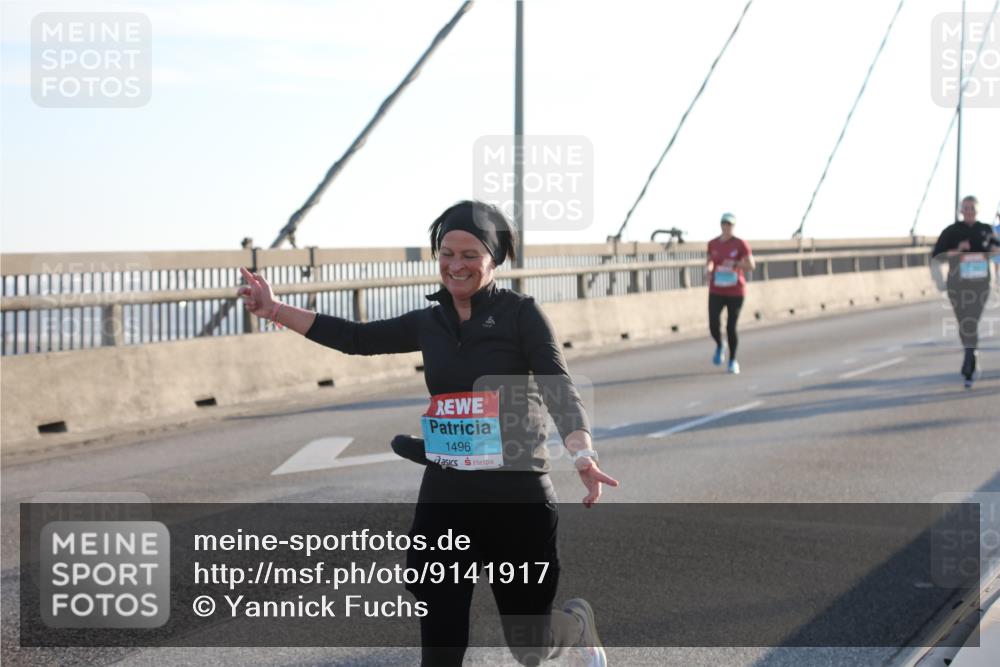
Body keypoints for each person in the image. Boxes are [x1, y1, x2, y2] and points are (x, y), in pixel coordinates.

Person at [237, 200, 618, 666]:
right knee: (439, 637)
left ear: (494, 259)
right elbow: (357, 339)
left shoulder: (522, 315)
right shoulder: (429, 322)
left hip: (516, 494)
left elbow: (560, 390)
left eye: (470, 255)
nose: (456, 266)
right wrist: (274, 308)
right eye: (446, 253)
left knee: (529, 644)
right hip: (448, 491)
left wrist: (582, 454)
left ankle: (576, 625)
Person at [931, 195, 1000, 388]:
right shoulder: (951, 231)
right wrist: (957, 250)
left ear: (978, 211)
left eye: (972, 208)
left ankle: (969, 361)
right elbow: (937, 256)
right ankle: (971, 352)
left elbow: (996, 249)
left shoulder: (985, 230)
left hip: (980, 285)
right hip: (957, 285)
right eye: (966, 208)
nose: (969, 211)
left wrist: (994, 249)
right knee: (964, 323)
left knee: (972, 321)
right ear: (961, 210)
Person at [705, 212, 755, 374]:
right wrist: (708, 270)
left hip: (735, 290)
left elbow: (751, 265)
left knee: (730, 326)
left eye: (730, 224)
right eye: (724, 223)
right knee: (713, 323)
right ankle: (720, 344)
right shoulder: (712, 243)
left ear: (733, 226)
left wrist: (735, 263)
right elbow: (710, 262)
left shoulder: (741, 244)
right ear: (721, 225)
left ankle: (733, 360)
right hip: (717, 288)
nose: (727, 227)